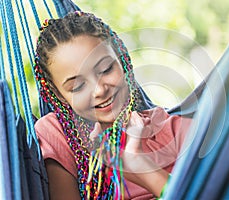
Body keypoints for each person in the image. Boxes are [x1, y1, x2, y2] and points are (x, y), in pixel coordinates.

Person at [34, 11, 192, 200]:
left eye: (106, 69)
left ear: (122, 59)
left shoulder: (174, 130)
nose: (99, 90)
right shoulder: (57, 134)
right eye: (78, 86)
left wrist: (141, 168)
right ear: (58, 94)